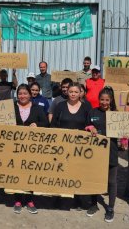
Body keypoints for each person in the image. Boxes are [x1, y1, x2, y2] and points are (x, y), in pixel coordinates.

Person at [50, 82, 93, 212]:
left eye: (76, 92)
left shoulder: (86, 107)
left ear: (80, 93)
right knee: (61, 171)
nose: (73, 94)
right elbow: (53, 125)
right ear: (67, 93)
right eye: (71, 92)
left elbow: (89, 124)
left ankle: (78, 199)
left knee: (77, 172)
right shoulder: (60, 106)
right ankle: (59, 197)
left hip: (79, 148)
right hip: (62, 146)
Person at [12, 84, 49, 214]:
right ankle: (17, 200)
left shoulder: (38, 109)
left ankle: (29, 200)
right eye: (20, 94)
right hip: (14, 148)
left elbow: (46, 125)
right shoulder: (11, 107)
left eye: (25, 93)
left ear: (30, 95)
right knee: (16, 172)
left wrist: (37, 125)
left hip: (32, 149)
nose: (22, 96)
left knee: (30, 173)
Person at [85, 86, 119, 222]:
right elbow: (86, 126)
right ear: (98, 100)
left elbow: (123, 133)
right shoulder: (92, 112)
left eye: (107, 100)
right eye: (102, 99)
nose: (104, 102)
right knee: (95, 179)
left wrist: (124, 137)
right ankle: (93, 204)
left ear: (111, 100)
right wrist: (90, 127)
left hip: (112, 152)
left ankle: (110, 208)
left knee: (112, 181)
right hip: (96, 153)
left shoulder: (116, 114)